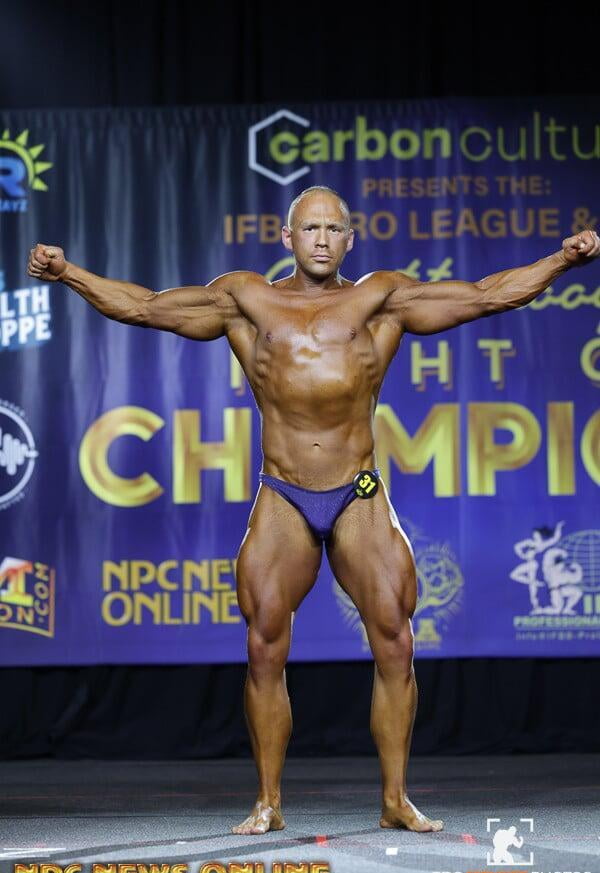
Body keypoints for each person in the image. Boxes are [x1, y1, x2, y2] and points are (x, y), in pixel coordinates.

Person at [27, 186, 600, 835]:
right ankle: (268, 803)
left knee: (396, 640)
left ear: (349, 240)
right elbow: (146, 307)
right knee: (263, 645)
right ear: (288, 238)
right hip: (284, 493)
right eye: (311, 228)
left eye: (333, 229)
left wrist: (562, 260)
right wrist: (68, 273)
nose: (322, 239)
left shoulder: (381, 298)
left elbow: (487, 295)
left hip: (358, 491)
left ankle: (395, 799)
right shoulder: (247, 300)